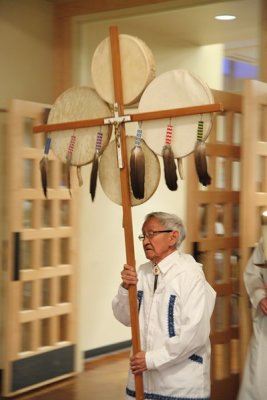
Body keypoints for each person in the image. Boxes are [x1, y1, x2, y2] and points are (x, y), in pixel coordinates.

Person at [112, 211, 216, 399]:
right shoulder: (142, 273)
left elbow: (195, 334)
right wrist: (125, 288)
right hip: (141, 381)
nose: (145, 241)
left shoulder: (190, 275)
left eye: (151, 234)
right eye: (143, 235)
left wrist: (151, 359)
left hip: (179, 384)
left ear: (173, 237)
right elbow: (124, 317)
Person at [237, 239, 267, 400]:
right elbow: (253, 273)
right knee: (259, 377)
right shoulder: (266, 241)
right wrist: (260, 297)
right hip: (265, 326)